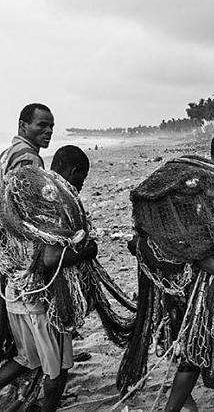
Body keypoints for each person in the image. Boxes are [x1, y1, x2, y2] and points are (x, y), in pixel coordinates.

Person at [120, 131, 214, 412]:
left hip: (168, 280)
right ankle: (172, 408)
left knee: (182, 339)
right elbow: (203, 253)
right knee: (196, 349)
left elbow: (156, 235)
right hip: (204, 284)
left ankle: (185, 402)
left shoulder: (179, 174)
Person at [0, 145, 97, 412]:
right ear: (74, 171)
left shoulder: (23, 194)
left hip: (15, 293)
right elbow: (49, 261)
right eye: (82, 178)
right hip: (43, 301)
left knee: (23, 360)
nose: (81, 185)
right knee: (57, 370)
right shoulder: (55, 200)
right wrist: (87, 252)